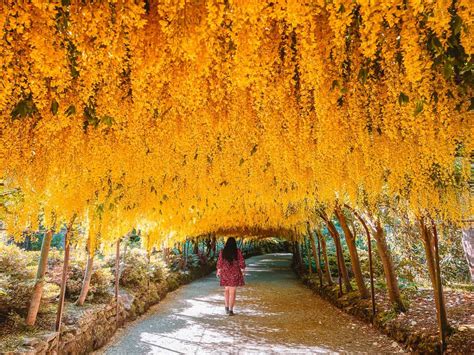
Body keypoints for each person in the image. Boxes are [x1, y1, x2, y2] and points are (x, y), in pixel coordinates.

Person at [216, 237, 246, 316]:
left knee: (226, 290)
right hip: (234, 273)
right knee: (232, 292)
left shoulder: (223, 251)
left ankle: (226, 307)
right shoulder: (237, 251)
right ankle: (231, 310)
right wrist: (243, 270)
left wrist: (218, 271)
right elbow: (241, 262)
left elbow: (220, 262)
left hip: (225, 272)